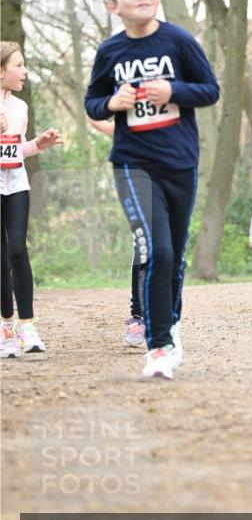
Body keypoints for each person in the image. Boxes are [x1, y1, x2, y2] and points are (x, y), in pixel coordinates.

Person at [84, 0, 220, 379]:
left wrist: (173, 90)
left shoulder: (178, 40)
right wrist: (112, 104)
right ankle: (158, 345)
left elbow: (210, 90)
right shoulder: (111, 52)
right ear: (114, 5)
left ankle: (170, 322)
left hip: (179, 162)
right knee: (154, 249)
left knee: (174, 254)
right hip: (132, 162)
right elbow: (92, 101)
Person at [1, 41, 62, 357]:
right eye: (18, 65)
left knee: (17, 251)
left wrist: (39, 143)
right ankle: (6, 329)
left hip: (17, 185)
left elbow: (17, 149)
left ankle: (28, 327)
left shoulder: (20, 108)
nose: (24, 71)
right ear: (1, 71)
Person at [87, 115, 145, 347]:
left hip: (171, 181)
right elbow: (96, 116)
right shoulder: (129, 122)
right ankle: (138, 318)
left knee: (167, 249)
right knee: (142, 246)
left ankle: (166, 315)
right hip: (139, 186)